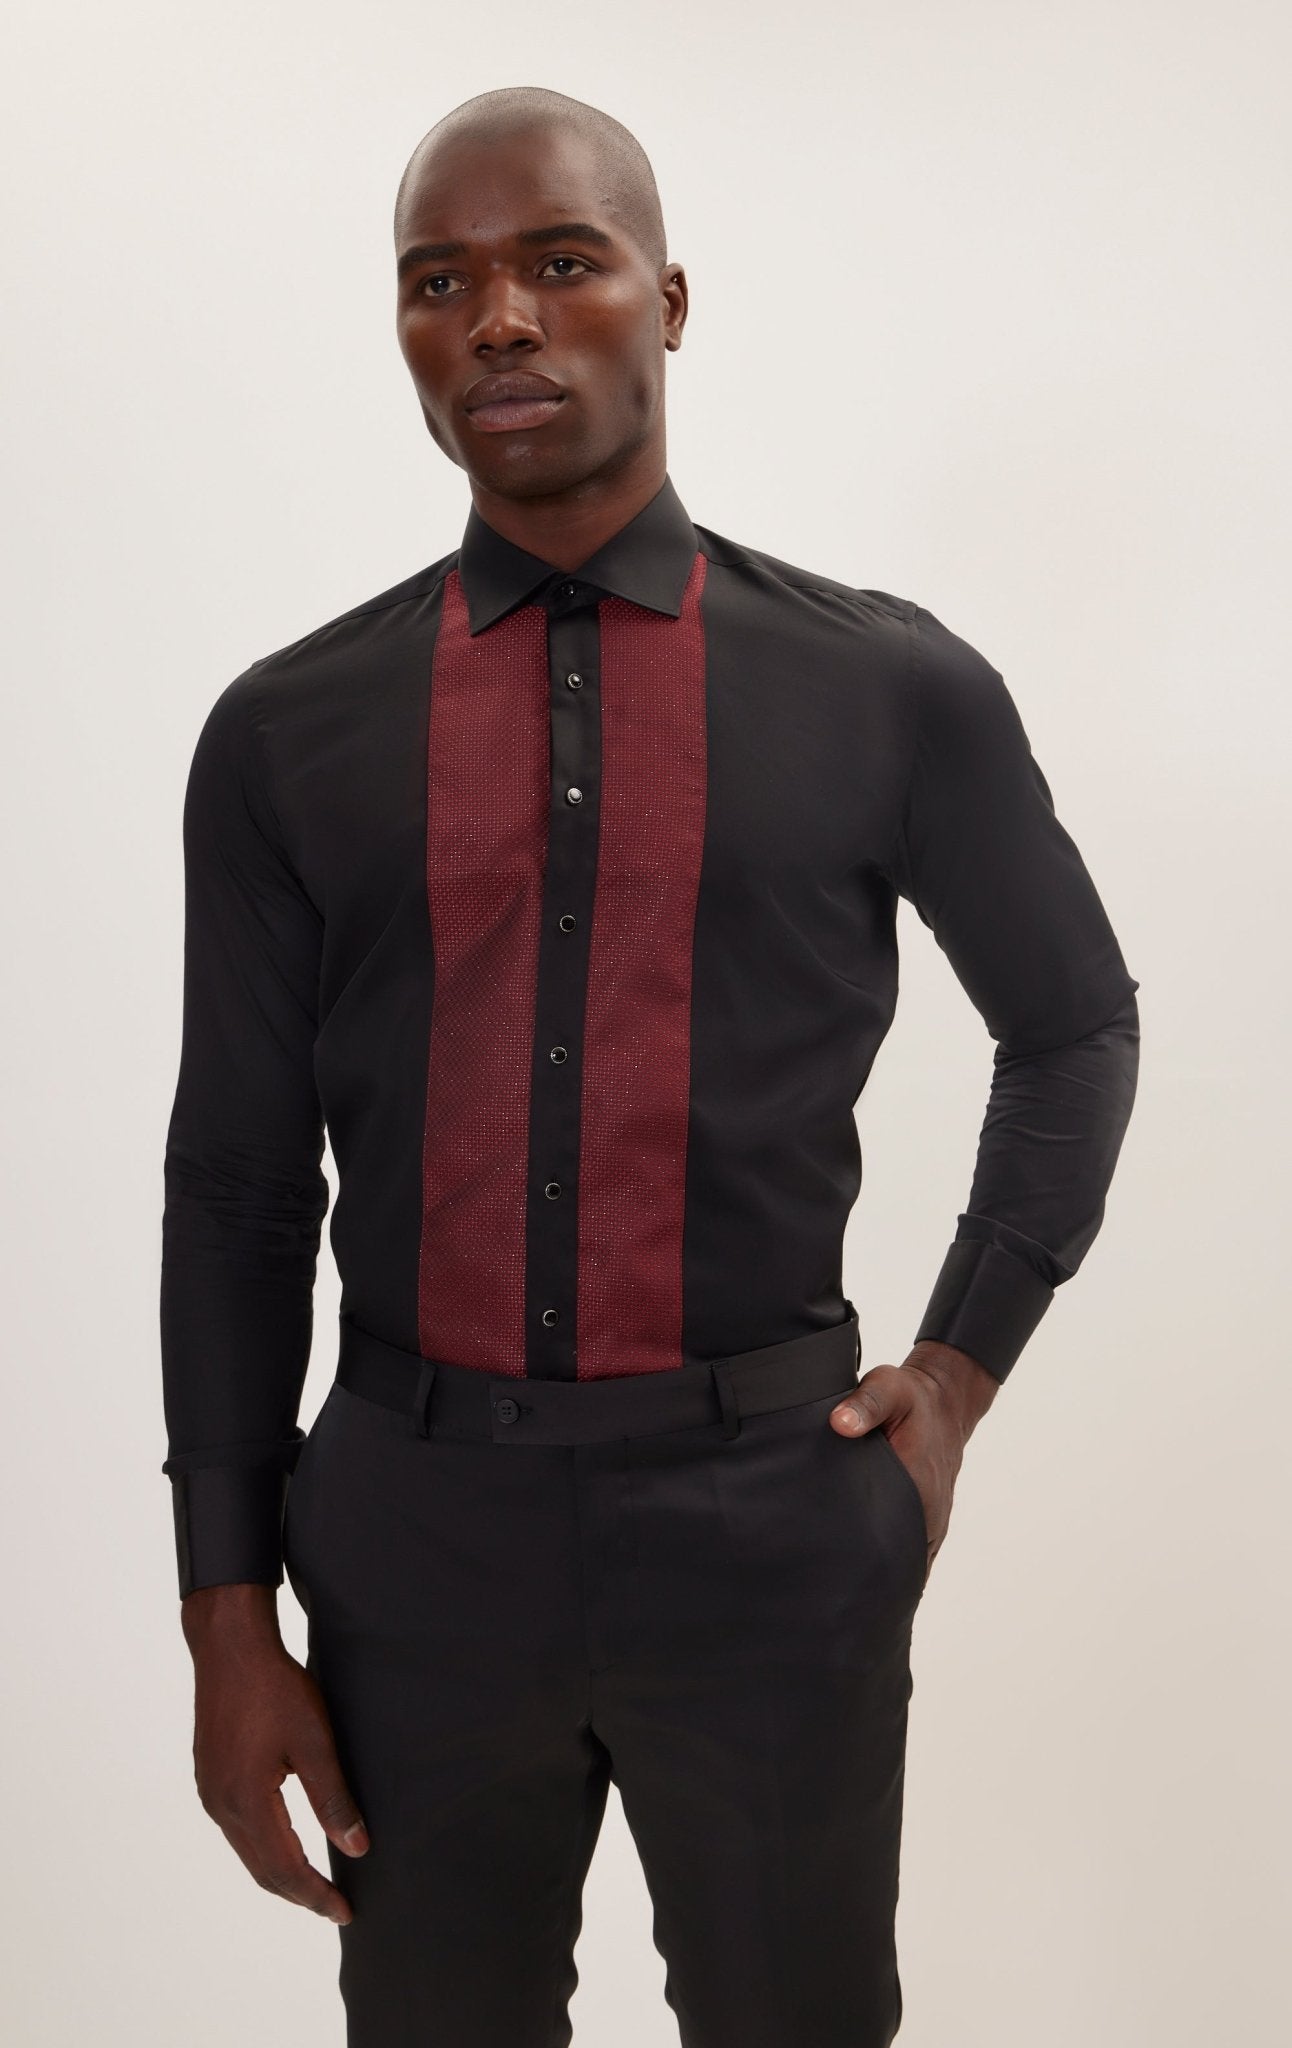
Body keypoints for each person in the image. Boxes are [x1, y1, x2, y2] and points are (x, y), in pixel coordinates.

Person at [159, 84, 1140, 2048]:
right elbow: (244, 1188)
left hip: (773, 1523)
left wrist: (952, 1376)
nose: (499, 320)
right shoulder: (285, 732)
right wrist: (227, 1619)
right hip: (412, 1543)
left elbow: (1073, 1026)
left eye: (559, 262)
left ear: (668, 301)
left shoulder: (890, 689)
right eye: (440, 283)